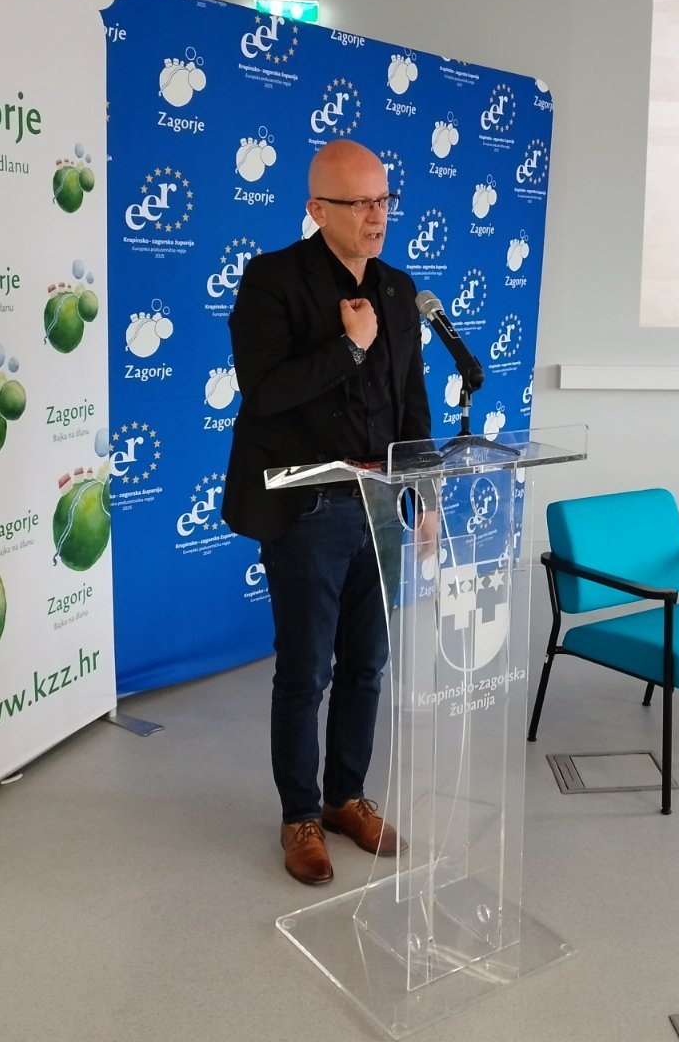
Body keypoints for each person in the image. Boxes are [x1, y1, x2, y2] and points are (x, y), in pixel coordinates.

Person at [223, 138, 432, 885]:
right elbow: (264, 392)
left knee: (367, 664)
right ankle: (300, 816)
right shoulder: (272, 280)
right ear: (317, 209)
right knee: (306, 672)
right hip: (308, 508)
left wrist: (423, 492)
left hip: (380, 505)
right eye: (360, 203)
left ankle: (346, 797)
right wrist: (349, 348)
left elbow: (412, 401)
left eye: (384, 200)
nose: (377, 216)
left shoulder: (399, 289)